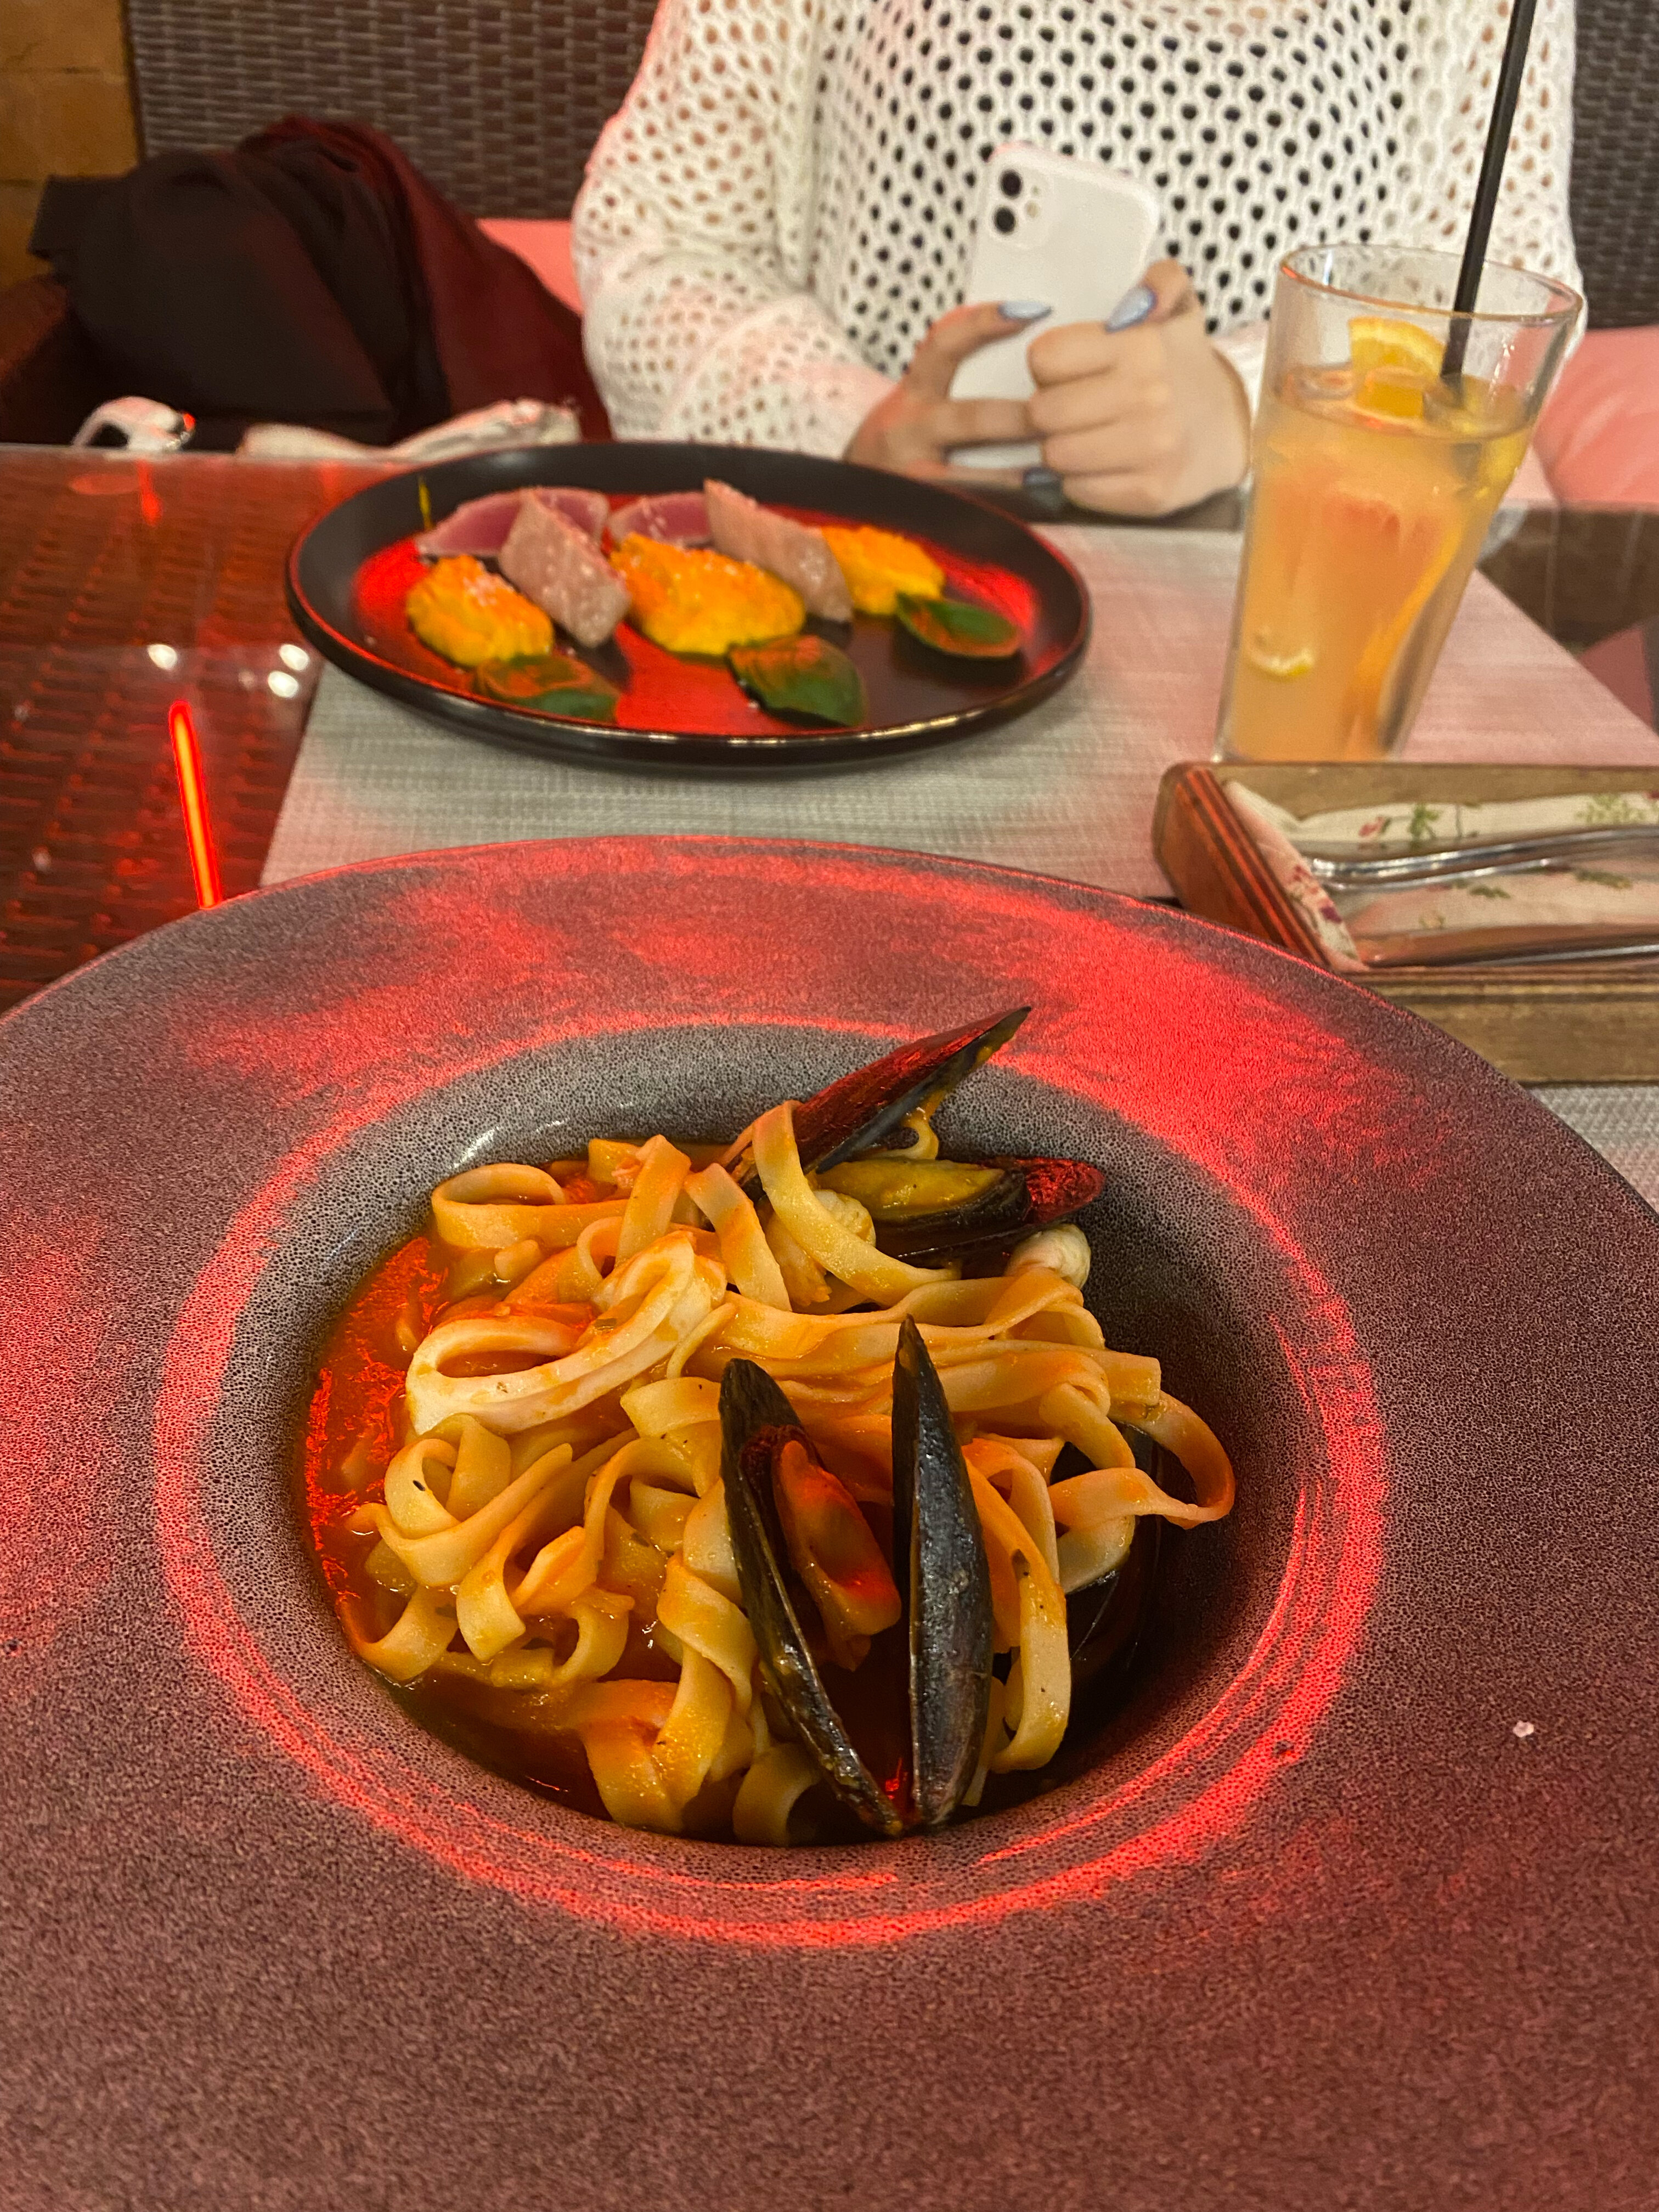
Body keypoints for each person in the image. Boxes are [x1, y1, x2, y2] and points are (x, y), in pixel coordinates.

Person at [572, 0, 1582, 515]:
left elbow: (1501, 307)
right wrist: (842, 429)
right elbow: (659, 244)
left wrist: (1251, 409)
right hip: (884, 580)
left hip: (1282, 624)